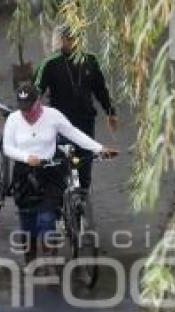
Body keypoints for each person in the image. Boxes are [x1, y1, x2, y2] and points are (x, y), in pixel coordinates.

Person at [3, 82, 115, 263]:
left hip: (50, 172)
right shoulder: (13, 120)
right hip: (24, 173)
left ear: (38, 101)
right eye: (22, 108)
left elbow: (74, 134)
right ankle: (30, 255)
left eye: (29, 107)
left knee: (47, 218)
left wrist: (99, 148)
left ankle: (50, 258)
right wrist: (26, 157)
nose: (26, 113)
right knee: (28, 219)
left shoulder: (53, 116)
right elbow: (7, 148)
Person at [34, 26, 118, 191]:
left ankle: (82, 201)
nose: (72, 42)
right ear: (62, 40)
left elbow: (100, 89)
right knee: (60, 164)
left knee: (85, 164)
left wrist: (110, 112)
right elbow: (36, 91)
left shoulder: (90, 61)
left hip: (85, 120)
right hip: (60, 123)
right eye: (69, 38)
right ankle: (60, 202)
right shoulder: (50, 63)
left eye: (76, 38)